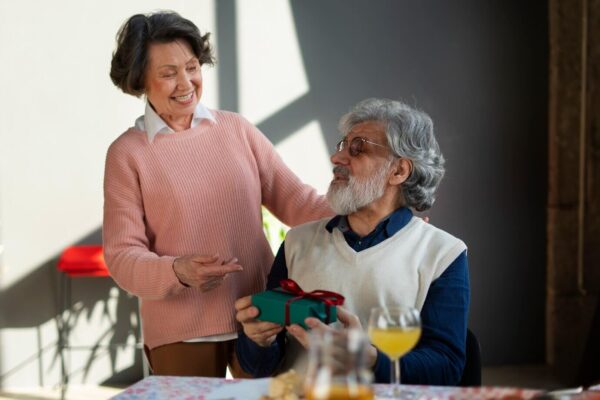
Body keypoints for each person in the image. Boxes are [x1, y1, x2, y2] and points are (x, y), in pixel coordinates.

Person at [103, 11, 331, 378]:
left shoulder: (236, 129)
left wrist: (376, 214)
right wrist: (176, 271)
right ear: (139, 80)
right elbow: (122, 256)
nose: (186, 83)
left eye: (192, 67)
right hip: (180, 329)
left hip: (259, 316)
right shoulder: (127, 154)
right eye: (167, 73)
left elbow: (299, 202)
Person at [235, 98, 470, 385]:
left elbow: (446, 368)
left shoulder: (443, 254)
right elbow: (260, 367)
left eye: (358, 148)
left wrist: (367, 357)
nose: (338, 158)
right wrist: (259, 341)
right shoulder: (298, 242)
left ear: (399, 171)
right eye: (342, 146)